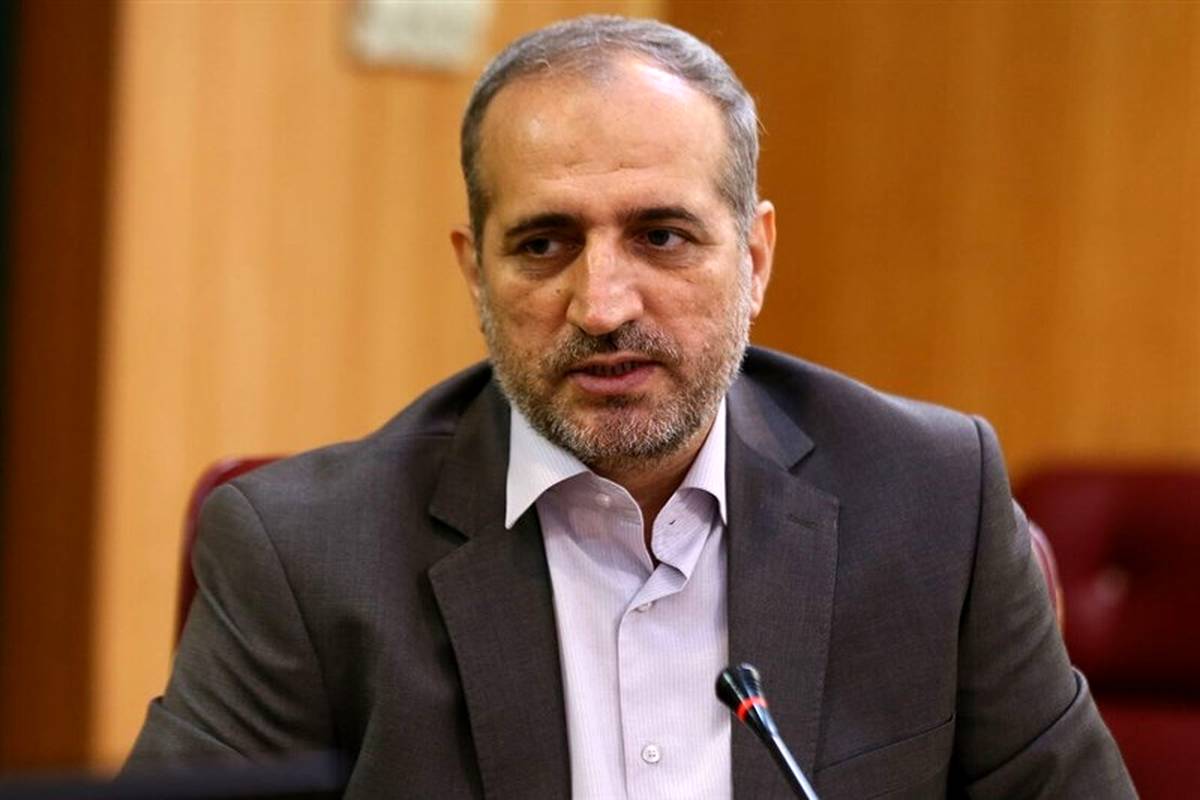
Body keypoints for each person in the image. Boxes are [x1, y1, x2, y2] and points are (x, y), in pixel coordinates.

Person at [127, 15, 1134, 800]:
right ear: (476, 275)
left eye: (661, 237)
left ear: (755, 259)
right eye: (544, 244)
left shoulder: (931, 502)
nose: (603, 305)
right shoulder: (305, 555)